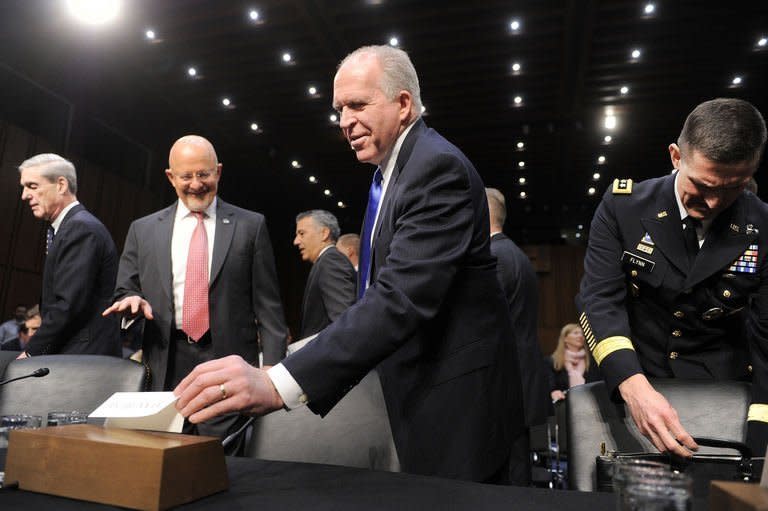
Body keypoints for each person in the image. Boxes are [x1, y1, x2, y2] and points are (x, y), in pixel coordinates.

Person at [174, 45, 525, 484]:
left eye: (358, 104)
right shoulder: (391, 175)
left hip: (462, 410)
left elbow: (399, 300)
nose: (344, 121)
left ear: (403, 104)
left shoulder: (436, 169)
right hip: (425, 397)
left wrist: (278, 382)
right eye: (339, 109)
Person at [576, 98, 768, 457]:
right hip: (631, 380)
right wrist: (633, 387)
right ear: (676, 156)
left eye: (733, 187)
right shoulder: (624, 206)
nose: (713, 203)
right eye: (703, 185)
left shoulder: (763, 227)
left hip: (720, 395)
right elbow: (599, 300)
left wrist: (757, 441)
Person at [103, 135, 288, 444]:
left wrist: (272, 373)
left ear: (218, 171)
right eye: (186, 176)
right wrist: (129, 300)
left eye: (203, 174)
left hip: (227, 364)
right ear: (170, 177)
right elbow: (125, 288)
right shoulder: (143, 229)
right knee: (164, 455)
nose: (196, 184)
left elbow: (269, 307)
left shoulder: (250, 226)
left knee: (223, 461)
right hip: (165, 362)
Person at [18, 153, 120, 358]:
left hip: (83, 356)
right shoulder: (69, 228)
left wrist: (31, 352)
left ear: (61, 185)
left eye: (32, 186)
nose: (24, 195)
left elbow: (68, 305)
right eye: (24, 187)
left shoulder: (81, 228)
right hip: (74, 353)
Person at [486, 187, 549, 428]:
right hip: (520, 374)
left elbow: (487, 322)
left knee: (509, 463)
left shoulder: (494, 257)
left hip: (506, 379)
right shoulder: (515, 254)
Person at [294, 210, 356, 339]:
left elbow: (343, 321)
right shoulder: (325, 261)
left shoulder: (331, 261)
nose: (296, 241)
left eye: (301, 233)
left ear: (324, 233)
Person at [546, 323, 601, 402]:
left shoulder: (592, 360)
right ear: (565, 338)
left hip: (591, 403)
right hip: (565, 405)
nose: (580, 336)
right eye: (576, 333)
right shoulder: (552, 362)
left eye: (582, 333)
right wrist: (554, 392)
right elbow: (550, 386)